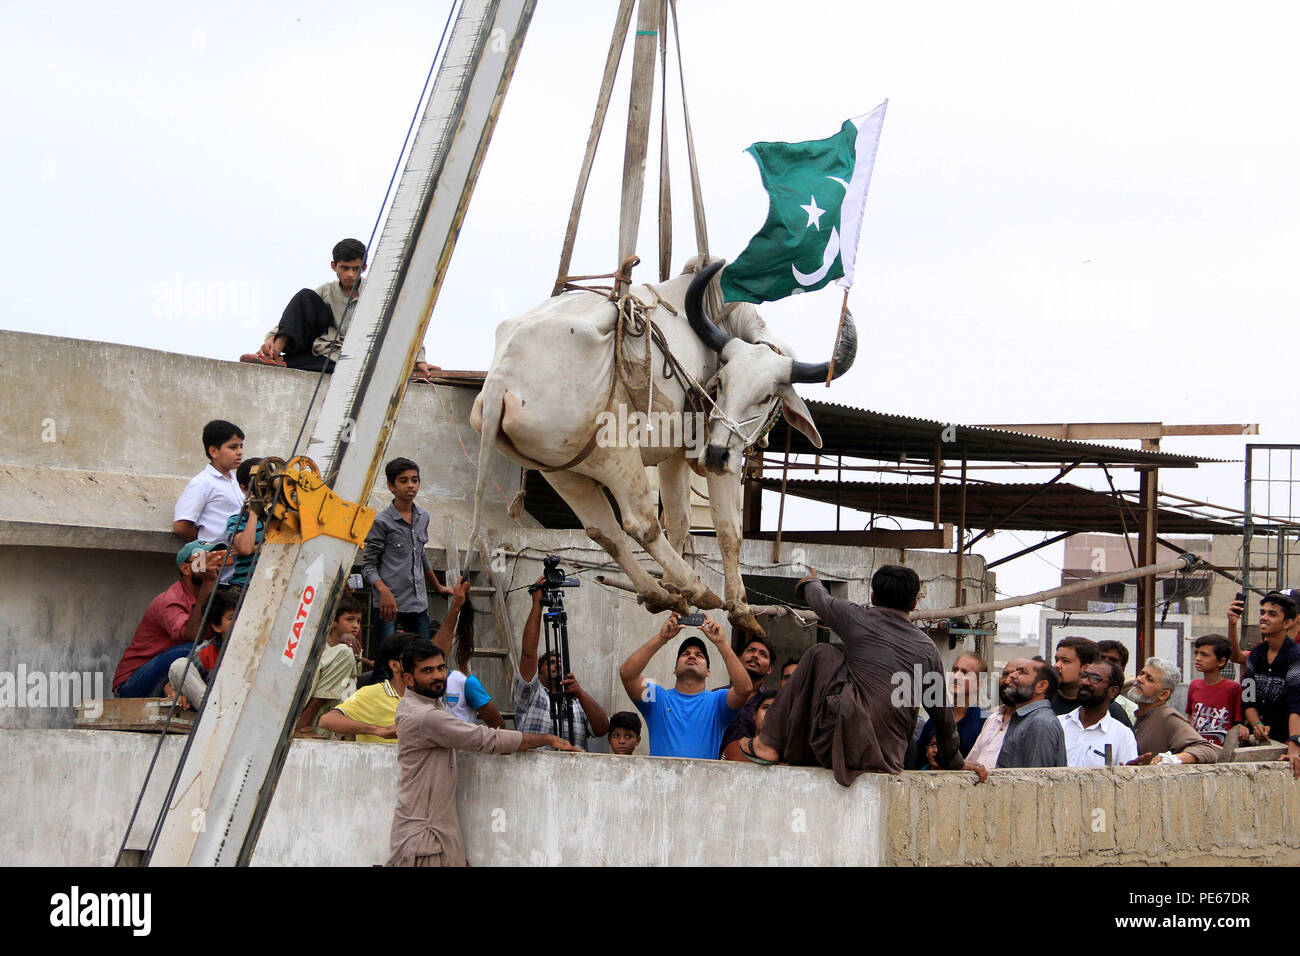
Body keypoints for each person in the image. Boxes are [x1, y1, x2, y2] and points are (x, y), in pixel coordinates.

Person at [745, 566, 986, 785]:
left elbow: (818, 598)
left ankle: (768, 743)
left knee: (823, 653)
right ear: (913, 604)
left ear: (872, 598)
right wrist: (954, 760)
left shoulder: (856, 616)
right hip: (889, 758)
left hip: (843, 746)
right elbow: (941, 714)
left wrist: (812, 580)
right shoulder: (927, 648)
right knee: (839, 659)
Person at [388, 641, 580, 867]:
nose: (438, 675)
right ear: (409, 679)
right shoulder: (427, 717)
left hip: (432, 834)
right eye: (427, 671)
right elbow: (487, 739)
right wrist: (546, 738)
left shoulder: (416, 705)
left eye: (441, 668)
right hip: (425, 839)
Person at [245, 238, 438, 379]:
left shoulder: (380, 294)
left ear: (363, 268)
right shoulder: (326, 292)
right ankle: (273, 355)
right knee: (304, 296)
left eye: (355, 269)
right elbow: (293, 318)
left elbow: (406, 327)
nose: (350, 274)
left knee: (345, 368)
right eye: (344, 268)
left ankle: (286, 362)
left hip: (355, 357)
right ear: (334, 266)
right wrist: (271, 339)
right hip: (325, 349)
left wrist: (419, 360)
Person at [620, 614, 750, 759]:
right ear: (675, 669)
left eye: (699, 655)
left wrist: (722, 643)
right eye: (686, 654)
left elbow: (744, 689)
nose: (692, 656)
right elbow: (627, 675)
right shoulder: (656, 698)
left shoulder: (717, 701)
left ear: (708, 672)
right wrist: (662, 638)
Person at [113, 542, 223, 697]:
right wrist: (208, 581)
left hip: (175, 672)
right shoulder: (169, 600)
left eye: (216, 560)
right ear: (185, 568)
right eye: (203, 560)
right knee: (192, 649)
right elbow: (193, 635)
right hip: (133, 683)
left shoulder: (216, 596)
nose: (213, 566)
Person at [362, 457, 454, 643]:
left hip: (418, 604)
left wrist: (437, 586)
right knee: (386, 663)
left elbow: (420, 555)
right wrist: (384, 592)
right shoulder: (382, 522)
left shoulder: (423, 517)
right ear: (391, 486)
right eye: (403, 481)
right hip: (389, 606)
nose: (411, 485)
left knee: (421, 659)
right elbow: (368, 566)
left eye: (415, 479)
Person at [514, 576, 608, 749]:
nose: (557, 665)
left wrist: (580, 694)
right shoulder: (531, 695)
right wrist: (537, 605)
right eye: (550, 663)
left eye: (559, 662)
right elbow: (528, 655)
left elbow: (602, 728)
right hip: (534, 774)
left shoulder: (577, 703)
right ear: (539, 673)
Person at [1235, 592, 1300, 778]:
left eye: (1272, 614)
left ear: (1288, 622)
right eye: (1262, 612)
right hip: (1260, 742)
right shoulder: (1256, 653)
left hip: (1286, 741)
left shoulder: (1296, 657)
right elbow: (1248, 697)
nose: (1264, 618)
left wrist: (1294, 748)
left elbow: (1296, 705)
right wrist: (1258, 725)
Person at [294, 595, 370, 737]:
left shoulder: (353, 650)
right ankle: (303, 725)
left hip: (333, 719)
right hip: (310, 715)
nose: (355, 625)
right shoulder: (320, 648)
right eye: (349, 619)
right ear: (333, 622)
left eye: (358, 621)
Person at [318, 633, 415, 742]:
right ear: (394, 665)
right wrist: (377, 730)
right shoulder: (372, 694)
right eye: (414, 660)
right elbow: (327, 720)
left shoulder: (431, 694)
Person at [1124, 657, 1218, 765]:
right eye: (1141, 674)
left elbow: (1207, 750)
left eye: (1149, 679)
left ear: (1163, 695)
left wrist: (1171, 759)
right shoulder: (1141, 714)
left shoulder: (1168, 717)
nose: (1140, 679)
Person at [165, 587, 239, 709]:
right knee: (179, 666)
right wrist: (175, 695)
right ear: (216, 627)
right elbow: (170, 684)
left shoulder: (259, 645)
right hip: (216, 713)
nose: (239, 621)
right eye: (232, 618)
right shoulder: (206, 651)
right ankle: (212, 713)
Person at [173, 420, 244, 545]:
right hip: (215, 560)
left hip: (239, 561)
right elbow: (181, 527)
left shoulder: (237, 482)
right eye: (233, 447)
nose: (240, 452)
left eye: (241, 446)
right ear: (213, 452)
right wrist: (208, 543)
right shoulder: (202, 483)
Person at [911, 652, 987, 767]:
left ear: (978, 684)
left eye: (965, 672)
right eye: (955, 670)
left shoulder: (985, 722)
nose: (956, 676)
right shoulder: (934, 720)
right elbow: (918, 761)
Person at [1058, 660, 1138, 767]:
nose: (1085, 682)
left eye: (1095, 679)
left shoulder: (1122, 735)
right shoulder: (1058, 724)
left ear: (1113, 691)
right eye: (1084, 676)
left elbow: (1126, 777)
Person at [995, 658, 1067, 768]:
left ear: (1041, 686)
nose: (1013, 675)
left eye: (1022, 672)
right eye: (1016, 671)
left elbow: (1039, 778)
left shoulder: (1041, 722)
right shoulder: (1023, 718)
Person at [1051, 636, 1132, 727]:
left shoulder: (1111, 711)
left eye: (1065, 661)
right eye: (1057, 660)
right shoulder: (1044, 702)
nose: (1057, 665)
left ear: (1085, 668)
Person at [718, 635, 775, 756]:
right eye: (751, 650)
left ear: (770, 669)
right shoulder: (717, 697)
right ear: (738, 659)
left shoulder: (773, 703)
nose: (755, 655)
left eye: (763, 654)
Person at [1185, 635, 1243, 746]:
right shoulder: (1194, 685)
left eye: (1204, 655)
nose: (1198, 658)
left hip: (1220, 749)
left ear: (1221, 662)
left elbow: (1237, 723)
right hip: (1196, 746)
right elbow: (1190, 716)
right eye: (1196, 653)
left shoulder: (1232, 688)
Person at [223, 457, 263, 589]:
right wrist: (254, 511)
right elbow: (245, 548)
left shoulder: (284, 516)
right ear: (244, 489)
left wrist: (255, 548)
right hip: (243, 587)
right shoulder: (236, 521)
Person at [722, 690, 778, 762]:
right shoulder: (733, 748)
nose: (770, 714)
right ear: (754, 714)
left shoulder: (791, 755)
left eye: (777, 709)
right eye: (766, 708)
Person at [1097, 639, 1139, 722]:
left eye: (1112, 661)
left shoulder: (1130, 711)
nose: (1105, 664)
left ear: (1122, 669)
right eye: (1101, 658)